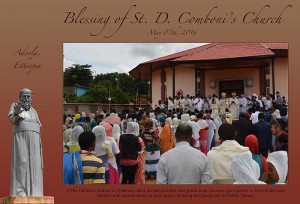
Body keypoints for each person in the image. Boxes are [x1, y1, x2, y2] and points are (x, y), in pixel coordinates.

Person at [8, 88, 43, 196]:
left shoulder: (34, 110)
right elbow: (12, 120)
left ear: (32, 98)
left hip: (35, 140)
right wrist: (17, 112)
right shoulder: (15, 106)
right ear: (20, 97)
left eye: (29, 96)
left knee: (36, 165)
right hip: (21, 138)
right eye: (24, 96)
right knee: (22, 163)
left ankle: (35, 191)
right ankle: (20, 191)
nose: (26, 98)